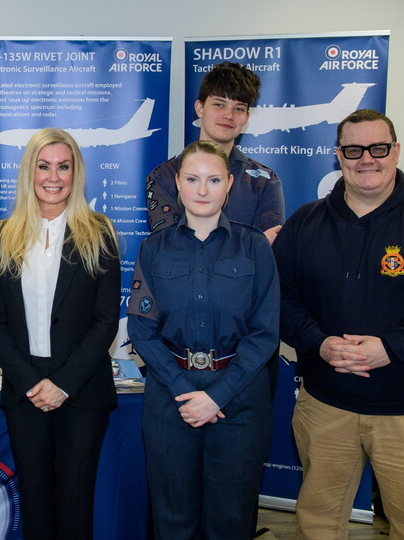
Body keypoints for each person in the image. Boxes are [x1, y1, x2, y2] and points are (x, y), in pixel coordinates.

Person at [272, 109, 404, 539]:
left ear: (396, 151)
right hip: (326, 406)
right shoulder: (305, 223)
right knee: (318, 523)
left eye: (378, 148)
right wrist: (320, 343)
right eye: (354, 149)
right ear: (338, 156)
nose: (367, 158)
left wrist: (389, 348)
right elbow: (279, 299)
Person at [129, 140, 279, 539]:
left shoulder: (255, 247)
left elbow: (265, 333)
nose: (202, 190)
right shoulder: (154, 248)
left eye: (213, 180)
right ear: (177, 183)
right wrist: (183, 389)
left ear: (229, 183)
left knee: (230, 520)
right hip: (169, 397)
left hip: (240, 398)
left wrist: (217, 396)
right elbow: (142, 329)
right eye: (192, 179)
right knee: (174, 520)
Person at [0, 128, 121, 539]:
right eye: (44, 166)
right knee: (36, 503)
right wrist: (31, 383)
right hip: (24, 390)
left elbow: (105, 323)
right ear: (29, 171)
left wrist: (62, 384)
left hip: (81, 389)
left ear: (76, 173)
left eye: (64, 166)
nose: (54, 176)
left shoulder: (99, 232)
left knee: (77, 504)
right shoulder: (3, 236)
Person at [145, 61, 284, 243]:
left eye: (239, 109)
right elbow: (171, 249)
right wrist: (248, 247)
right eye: (219, 105)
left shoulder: (264, 181)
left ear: (247, 117)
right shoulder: (165, 176)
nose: (228, 115)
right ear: (200, 108)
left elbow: (266, 254)